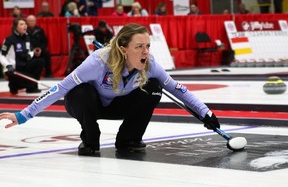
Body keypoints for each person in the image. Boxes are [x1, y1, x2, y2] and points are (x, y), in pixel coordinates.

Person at [0, 23, 220, 156]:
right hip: (91, 105)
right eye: (139, 46)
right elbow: (60, 88)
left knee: (154, 88)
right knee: (79, 91)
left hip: (119, 105)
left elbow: (179, 89)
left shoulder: (150, 64)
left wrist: (206, 113)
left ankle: (128, 140)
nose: (146, 51)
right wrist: (24, 115)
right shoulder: (98, 61)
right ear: (124, 49)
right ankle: (90, 138)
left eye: (148, 46)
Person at [0, 18, 45, 94]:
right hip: (14, 69)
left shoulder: (27, 37)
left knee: (40, 61)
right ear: (15, 27)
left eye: (25, 24)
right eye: (21, 24)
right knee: (26, 82)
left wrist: (30, 54)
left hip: (25, 65)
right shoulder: (9, 39)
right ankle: (13, 86)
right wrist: (8, 65)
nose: (25, 26)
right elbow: (1, 55)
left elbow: (31, 50)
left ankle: (32, 88)